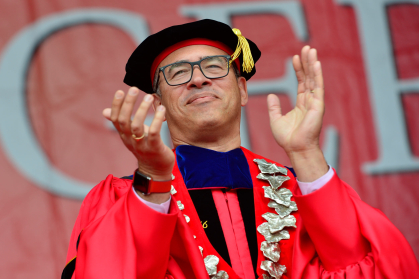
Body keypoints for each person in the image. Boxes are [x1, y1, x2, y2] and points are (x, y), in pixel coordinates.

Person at [62, 19, 419, 279]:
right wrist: (154, 177)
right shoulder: (128, 198)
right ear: (159, 105)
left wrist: (307, 153)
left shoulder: (302, 190)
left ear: (243, 90)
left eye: (214, 67)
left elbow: (371, 272)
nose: (198, 79)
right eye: (178, 73)